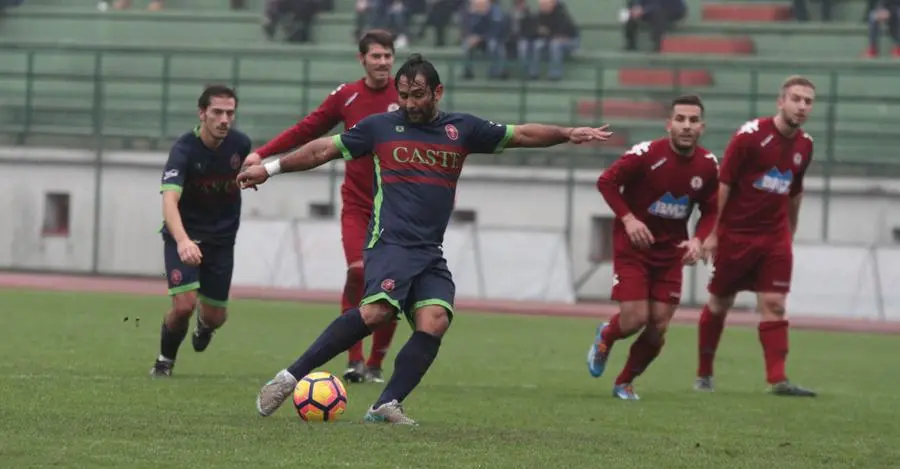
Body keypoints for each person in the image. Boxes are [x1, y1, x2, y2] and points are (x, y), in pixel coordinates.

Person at [237, 53, 613, 424]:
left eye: (417, 95)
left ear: (438, 92)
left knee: (434, 320)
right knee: (377, 312)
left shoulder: (462, 129)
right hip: (390, 241)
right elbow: (323, 149)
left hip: (429, 250)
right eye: (403, 95)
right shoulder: (379, 127)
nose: (409, 103)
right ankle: (289, 378)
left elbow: (522, 134)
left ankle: (386, 404)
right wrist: (270, 168)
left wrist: (567, 133)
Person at [242, 29, 401, 385]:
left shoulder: (405, 96)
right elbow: (308, 128)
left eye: (388, 55)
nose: (383, 62)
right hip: (358, 206)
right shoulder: (347, 96)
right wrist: (263, 154)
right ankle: (354, 359)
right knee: (358, 273)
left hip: (395, 211)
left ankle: (376, 362)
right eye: (375, 56)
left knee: (390, 287)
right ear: (362, 60)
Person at [588, 95, 719, 401]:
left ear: (702, 126)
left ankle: (625, 382)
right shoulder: (646, 154)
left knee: (657, 326)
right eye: (681, 119)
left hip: (671, 252)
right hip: (634, 247)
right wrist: (629, 219)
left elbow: (711, 209)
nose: (686, 126)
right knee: (634, 319)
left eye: (693, 120)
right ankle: (606, 335)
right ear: (669, 124)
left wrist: (698, 239)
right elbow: (606, 182)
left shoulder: (708, 165)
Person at [695, 75, 817, 397]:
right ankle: (704, 373)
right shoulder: (750, 136)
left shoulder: (805, 145)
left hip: (774, 238)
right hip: (735, 236)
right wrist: (713, 233)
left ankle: (777, 380)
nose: (802, 106)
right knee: (721, 302)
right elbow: (724, 184)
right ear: (781, 102)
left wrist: (790, 231)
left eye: (808, 101)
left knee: (775, 304)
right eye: (796, 99)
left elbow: (794, 191)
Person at [151, 84, 252, 377]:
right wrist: (182, 241)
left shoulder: (241, 144)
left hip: (222, 240)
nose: (224, 119)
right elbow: (169, 200)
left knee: (216, 316)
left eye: (230, 113)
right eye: (217, 112)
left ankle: (205, 326)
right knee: (184, 305)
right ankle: (164, 361)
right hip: (185, 236)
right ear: (202, 113)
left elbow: (247, 171)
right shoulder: (183, 150)